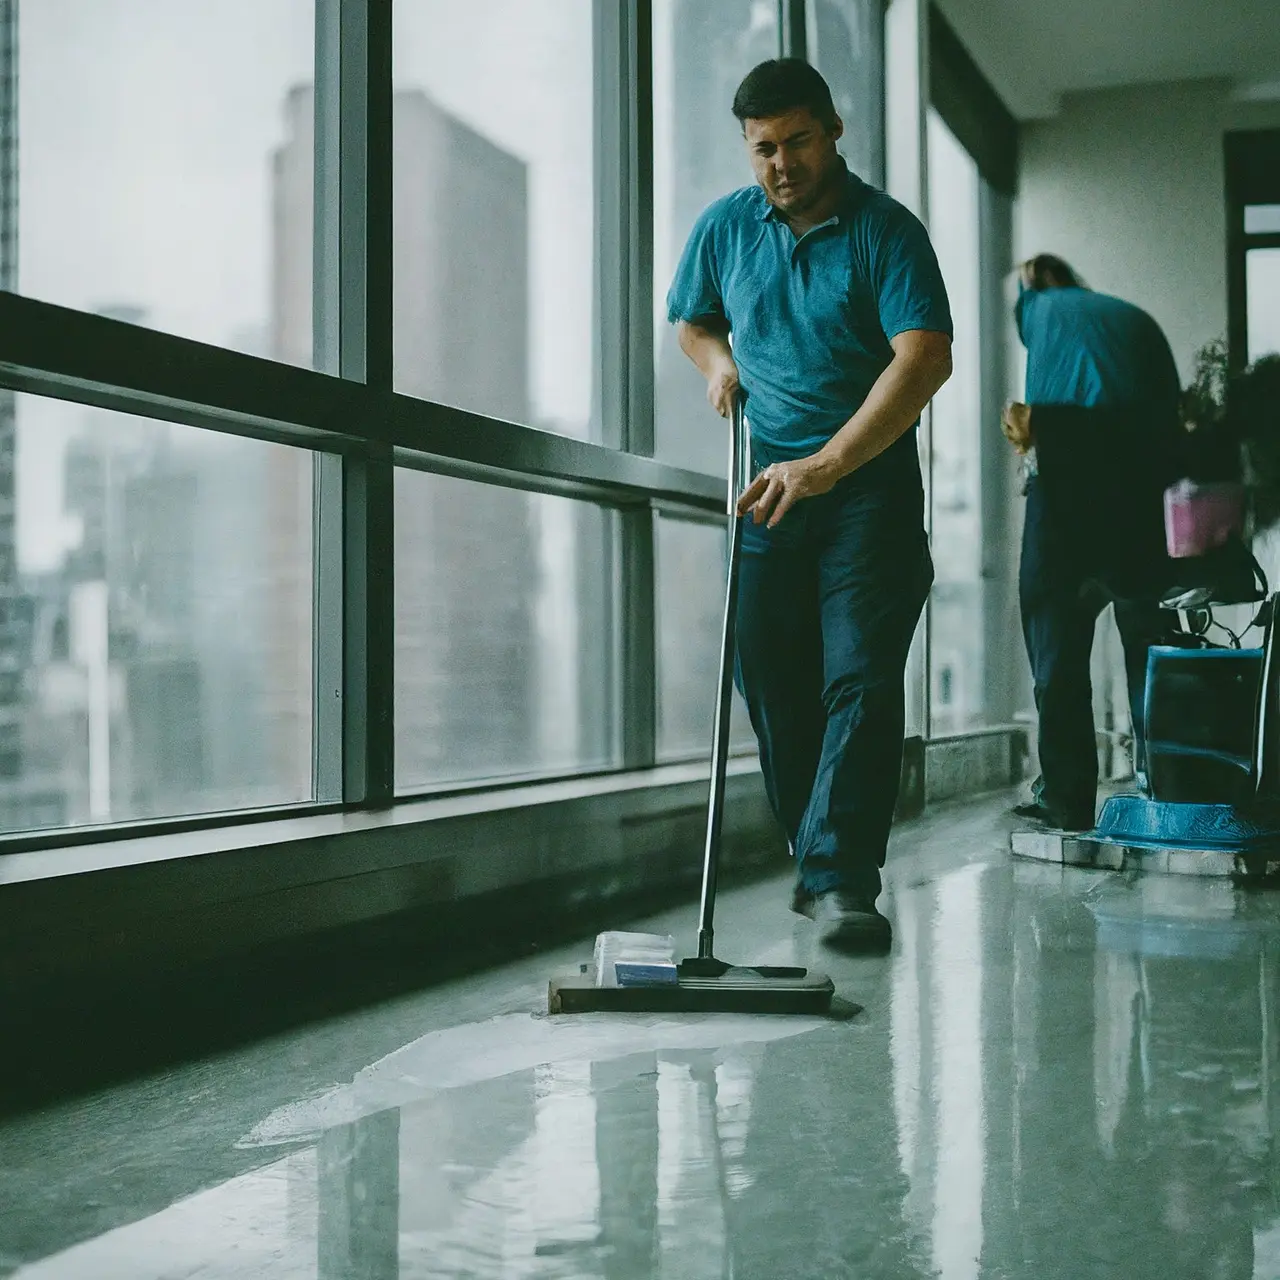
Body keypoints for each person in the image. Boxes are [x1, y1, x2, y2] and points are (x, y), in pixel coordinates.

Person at [665, 59, 953, 953]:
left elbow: (926, 359)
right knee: (769, 677)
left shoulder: (885, 233)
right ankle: (816, 851)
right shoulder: (724, 228)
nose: (780, 163)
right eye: (762, 149)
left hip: (865, 489)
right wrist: (719, 366)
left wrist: (827, 464)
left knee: (859, 677)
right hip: (768, 493)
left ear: (833, 130)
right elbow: (693, 318)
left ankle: (840, 881)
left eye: (795, 142)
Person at [1005, 254, 1182, 830]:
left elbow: (1045, 415)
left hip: (1069, 475)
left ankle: (1067, 800)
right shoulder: (1133, 318)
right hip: (1148, 487)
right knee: (1151, 648)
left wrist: (1030, 443)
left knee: (1055, 647)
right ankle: (1172, 792)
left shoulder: (1038, 307)